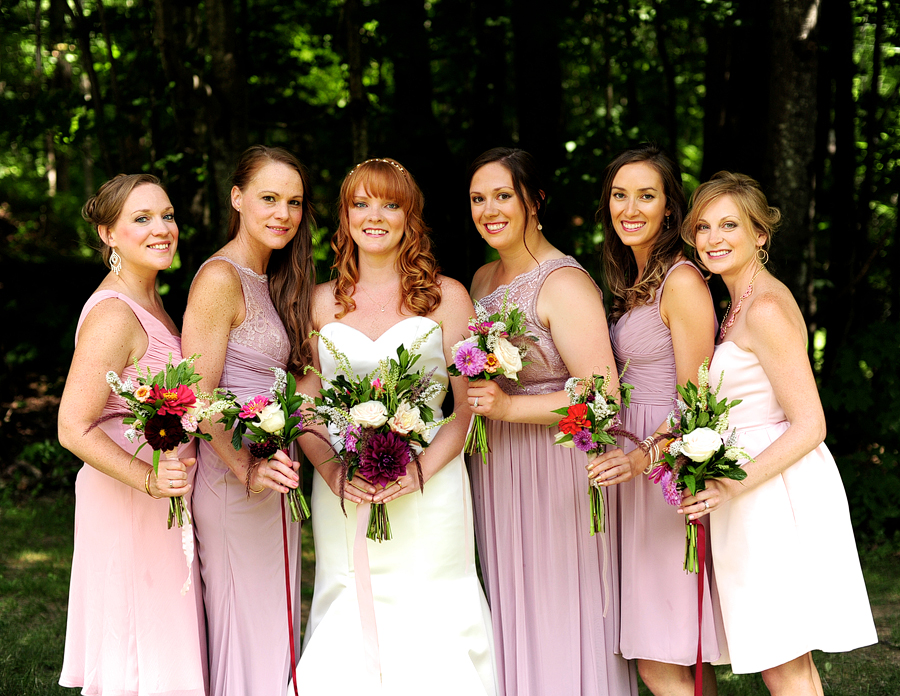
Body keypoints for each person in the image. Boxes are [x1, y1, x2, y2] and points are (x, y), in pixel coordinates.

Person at [293, 158, 496, 695]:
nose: (374, 216)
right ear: (344, 217)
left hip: (432, 488)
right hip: (346, 489)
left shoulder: (447, 297)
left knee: (432, 606)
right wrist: (334, 471)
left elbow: (467, 407)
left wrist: (420, 471)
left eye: (389, 204)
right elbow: (306, 409)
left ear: (411, 216)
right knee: (350, 600)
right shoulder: (319, 302)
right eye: (361, 204)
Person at [680, 171, 877, 695]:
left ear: (760, 235)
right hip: (755, 486)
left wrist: (731, 482)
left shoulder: (763, 308)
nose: (713, 238)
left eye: (729, 225)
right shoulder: (738, 303)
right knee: (782, 656)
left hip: (769, 491)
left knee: (781, 657)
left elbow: (811, 423)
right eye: (703, 227)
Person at [466, 147, 636, 696]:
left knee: (560, 602)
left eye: (502, 196)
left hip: (554, 465)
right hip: (497, 466)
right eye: (477, 198)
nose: (488, 209)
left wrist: (512, 408)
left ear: (534, 201)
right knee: (511, 600)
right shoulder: (481, 279)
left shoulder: (562, 282)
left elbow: (603, 393)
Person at [58, 174, 207, 696]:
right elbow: (72, 427)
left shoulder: (155, 303)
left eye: (166, 215)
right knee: (138, 648)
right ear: (109, 234)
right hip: (128, 496)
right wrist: (147, 479)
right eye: (141, 219)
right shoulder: (114, 314)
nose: (161, 228)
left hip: (163, 493)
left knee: (161, 636)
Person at [587, 143, 724, 695]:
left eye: (647, 195)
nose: (631, 208)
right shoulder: (629, 282)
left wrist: (647, 454)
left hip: (666, 471)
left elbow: (699, 402)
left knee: (662, 654)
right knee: (667, 647)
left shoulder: (683, 281)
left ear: (670, 208)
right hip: (632, 469)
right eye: (620, 195)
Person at [181, 145, 315, 695]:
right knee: (245, 625)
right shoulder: (220, 278)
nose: (282, 213)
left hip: (271, 475)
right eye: (268, 198)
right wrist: (245, 468)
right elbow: (196, 396)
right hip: (233, 478)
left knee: (271, 624)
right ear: (237, 199)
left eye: (294, 202)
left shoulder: (269, 277)